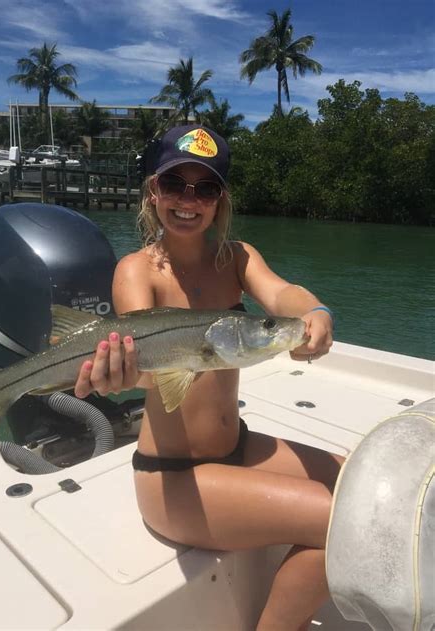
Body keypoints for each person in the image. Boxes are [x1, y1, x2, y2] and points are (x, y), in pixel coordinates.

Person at [74, 125, 342, 631]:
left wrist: (315, 312)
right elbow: (150, 375)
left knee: (361, 481)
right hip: (172, 479)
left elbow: (283, 295)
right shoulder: (138, 271)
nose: (188, 200)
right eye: (176, 185)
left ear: (221, 199)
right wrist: (122, 377)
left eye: (206, 188)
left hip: (238, 448)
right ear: (153, 191)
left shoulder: (237, 257)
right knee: (345, 522)